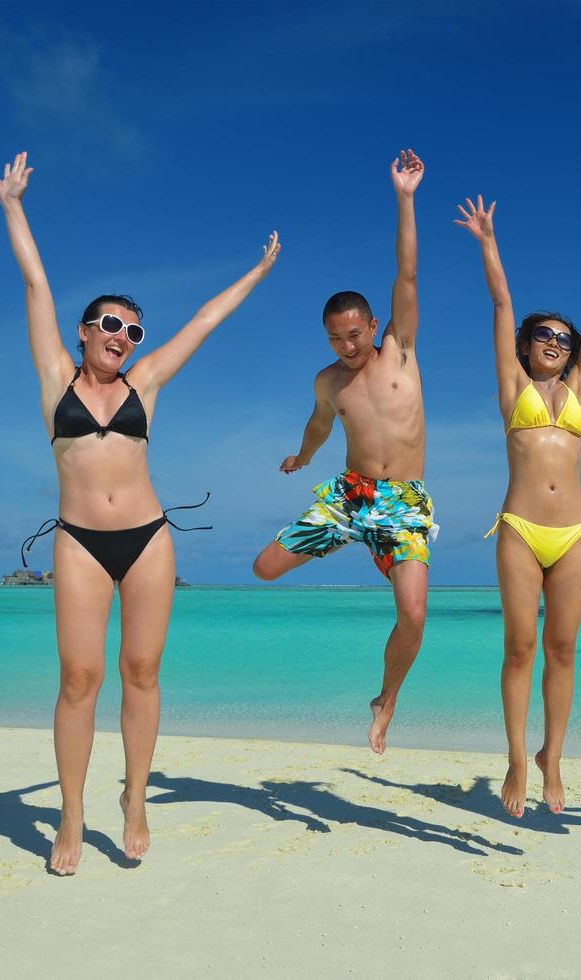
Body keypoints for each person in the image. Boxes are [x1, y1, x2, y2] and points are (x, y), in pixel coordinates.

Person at [0, 151, 280, 874]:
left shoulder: (144, 385)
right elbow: (35, 282)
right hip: (79, 542)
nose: (123, 337)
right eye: (111, 325)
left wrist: (258, 271)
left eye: (133, 331)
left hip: (149, 540)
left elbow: (207, 320)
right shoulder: (53, 376)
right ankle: (70, 815)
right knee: (78, 679)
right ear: (85, 330)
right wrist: (13, 205)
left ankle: (136, 799)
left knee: (143, 671)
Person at [456, 195, 581, 816]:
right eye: (545, 335)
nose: (557, 342)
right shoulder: (513, 385)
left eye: (565, 338)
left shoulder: (580, 388)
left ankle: (551, 760)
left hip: (575, 533)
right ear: (525, 345)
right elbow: (502, 302)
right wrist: (487, 240)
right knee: (520, 648)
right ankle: (515, 759)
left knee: (563, 650)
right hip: (519, 527)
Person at [251, 149, 430, 755]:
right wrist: (302, 458)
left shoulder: (399, 350)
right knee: (264, 568)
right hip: (352, 496)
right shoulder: (328, 380)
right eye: (336, 337)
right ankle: (346, 538)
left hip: (403, 502)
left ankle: (387, 699)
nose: (348, 345)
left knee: (413, 617)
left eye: (355, 333)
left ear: (372, 325)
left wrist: (404, 197)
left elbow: (406, 274)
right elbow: (320, 425)